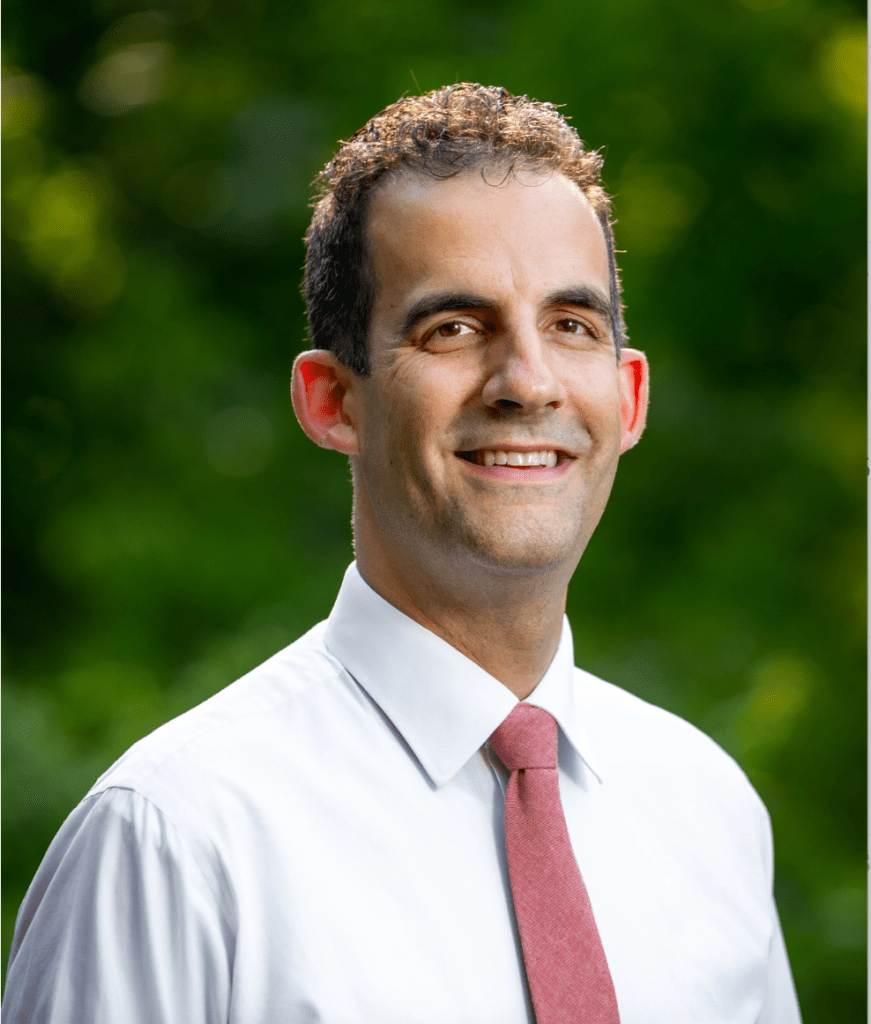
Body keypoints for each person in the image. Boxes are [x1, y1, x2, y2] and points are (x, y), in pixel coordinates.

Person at [3, 84, 801, 1023]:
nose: (526, 382)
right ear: (332, 400)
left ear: (626, 399)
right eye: (453, 328)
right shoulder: (175, 839)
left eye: (570, 325)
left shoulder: (710, 812)